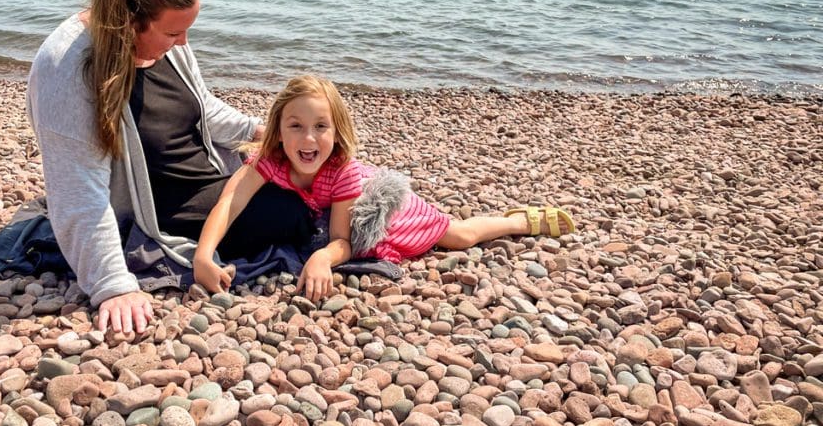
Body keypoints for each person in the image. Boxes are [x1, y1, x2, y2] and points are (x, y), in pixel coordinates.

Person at [26, 0, 313, 334]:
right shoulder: (68, 68)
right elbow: (77, 189)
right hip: (158, 205)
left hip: (208, 172)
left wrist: (259, 132)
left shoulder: (168, 46)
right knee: (293, 211)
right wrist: (112, 285)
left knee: (312, 171)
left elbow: (201, 107)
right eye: (174, 32)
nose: (183, 43)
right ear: (129, 20)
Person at [194, 75, 575, 301]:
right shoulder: (268, 160)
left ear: (337, 131)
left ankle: (517, 222)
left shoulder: (341, 170)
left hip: (378, 208)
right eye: (295, 126)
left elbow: (343, 240)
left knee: (457, 235)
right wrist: (203, 256)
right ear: (277, 129)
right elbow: (229, 202)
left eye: (321, 127)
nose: (308, 138)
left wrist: (322, 258)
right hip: (325, 214)